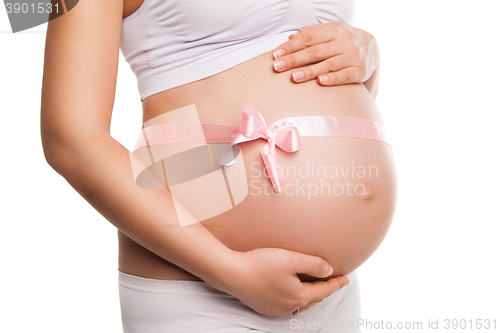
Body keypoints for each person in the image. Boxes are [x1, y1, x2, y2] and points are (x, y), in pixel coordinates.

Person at [41, 0, 397, 332]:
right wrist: (231, 271)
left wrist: (369, 55)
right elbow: (71, 141)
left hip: (334, 294)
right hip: (200, 287)